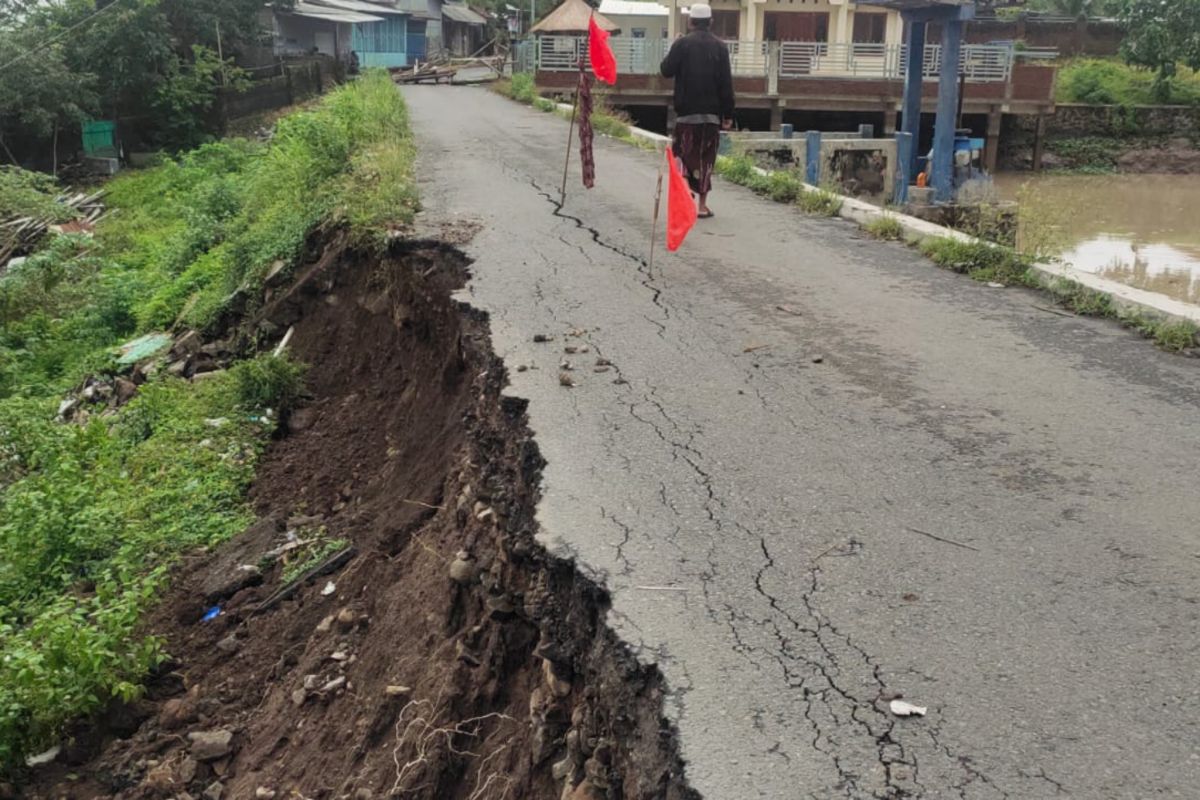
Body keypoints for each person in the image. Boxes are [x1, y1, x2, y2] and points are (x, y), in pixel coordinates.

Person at [659, 3, 735, 219]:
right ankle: (701, 206)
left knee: (682, 155)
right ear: (710, 22)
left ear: (690, 22)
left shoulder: (682, 44)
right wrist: (728, 115)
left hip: (686, 115)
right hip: (711, 117)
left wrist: (674, 44)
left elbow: (665, 70)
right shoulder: (720, 47)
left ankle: (684, 197)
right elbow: (726, 84)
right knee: (705, 160)